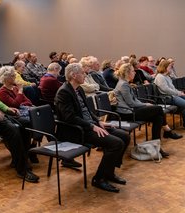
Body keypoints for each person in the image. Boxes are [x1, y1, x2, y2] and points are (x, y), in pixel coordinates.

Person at [55, 63, 130, 193]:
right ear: (73, 75)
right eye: (82, 73)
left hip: (89, 126)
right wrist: (92, 126)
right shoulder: (64, 92)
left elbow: (88, 111)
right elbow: (70, 118)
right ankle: (99, 179)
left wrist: (98, 122)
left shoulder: (79, 89)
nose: (85, 75)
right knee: (116, 143)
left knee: (124, 136)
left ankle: (109, 172)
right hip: (77, 130)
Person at [114, 63, 182, 154]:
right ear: (127, 73)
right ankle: (167, 131)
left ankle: (156, 147)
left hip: (131, 110)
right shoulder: (123, 85)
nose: (135, 73)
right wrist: (145, 104)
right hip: (127, 113)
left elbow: (134, 101)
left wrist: (144, 104)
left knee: (158, 118)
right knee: (158, 109)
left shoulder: (124, 83)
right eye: (133, 71)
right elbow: (131, 103)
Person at [154, 59, 185, 127]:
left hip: (172, 96)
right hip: (166, 98)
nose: (171, 68)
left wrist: (180, 92)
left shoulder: (167, 76)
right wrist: (178, 93)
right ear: (165, 67)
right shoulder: (160, 77)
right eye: (169, 66)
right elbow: (166, 90)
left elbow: (173, 88)